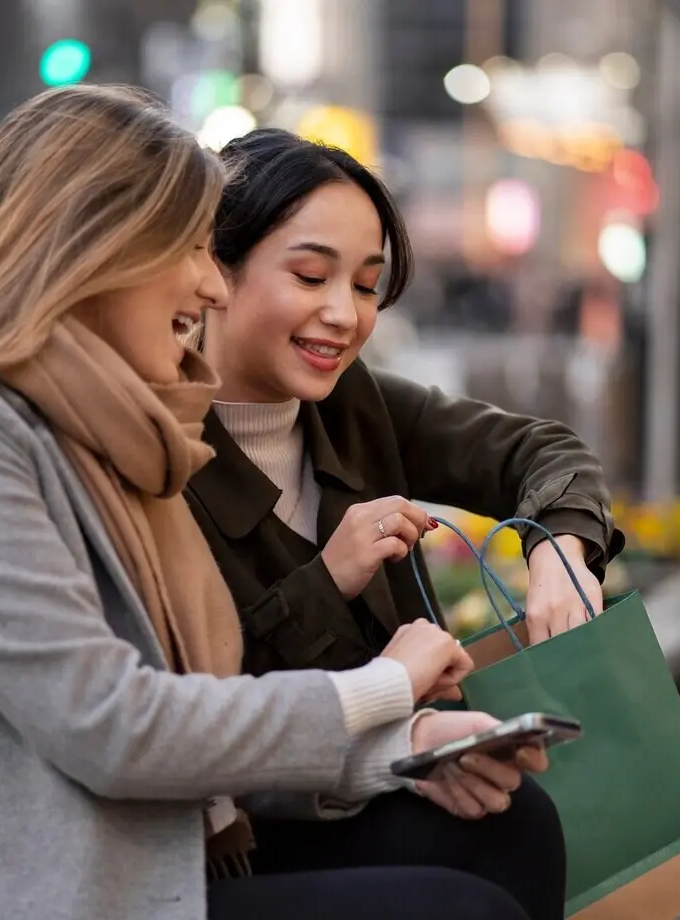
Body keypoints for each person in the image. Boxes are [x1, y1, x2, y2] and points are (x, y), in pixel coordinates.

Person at [0, 85, 549, 920]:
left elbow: (189, 734)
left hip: (135, 865)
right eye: (187, 248)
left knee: (509, 831)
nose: (208, 288)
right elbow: (116, 726)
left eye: (365, 284)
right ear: (92, 251)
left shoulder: (116, 431)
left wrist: (400, 749)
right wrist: (384, 688)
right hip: (25, 896)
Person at [184, 129, 617, 917]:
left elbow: (539, 450)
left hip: (381, 773)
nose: (341, 315)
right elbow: (185, 704)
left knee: (519, 826)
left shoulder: (356, 403)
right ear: (214, 266)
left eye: (366, 285)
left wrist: (560, 548)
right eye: (310, 275)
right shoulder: (160, 443)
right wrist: (325, 583)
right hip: (235, 834)